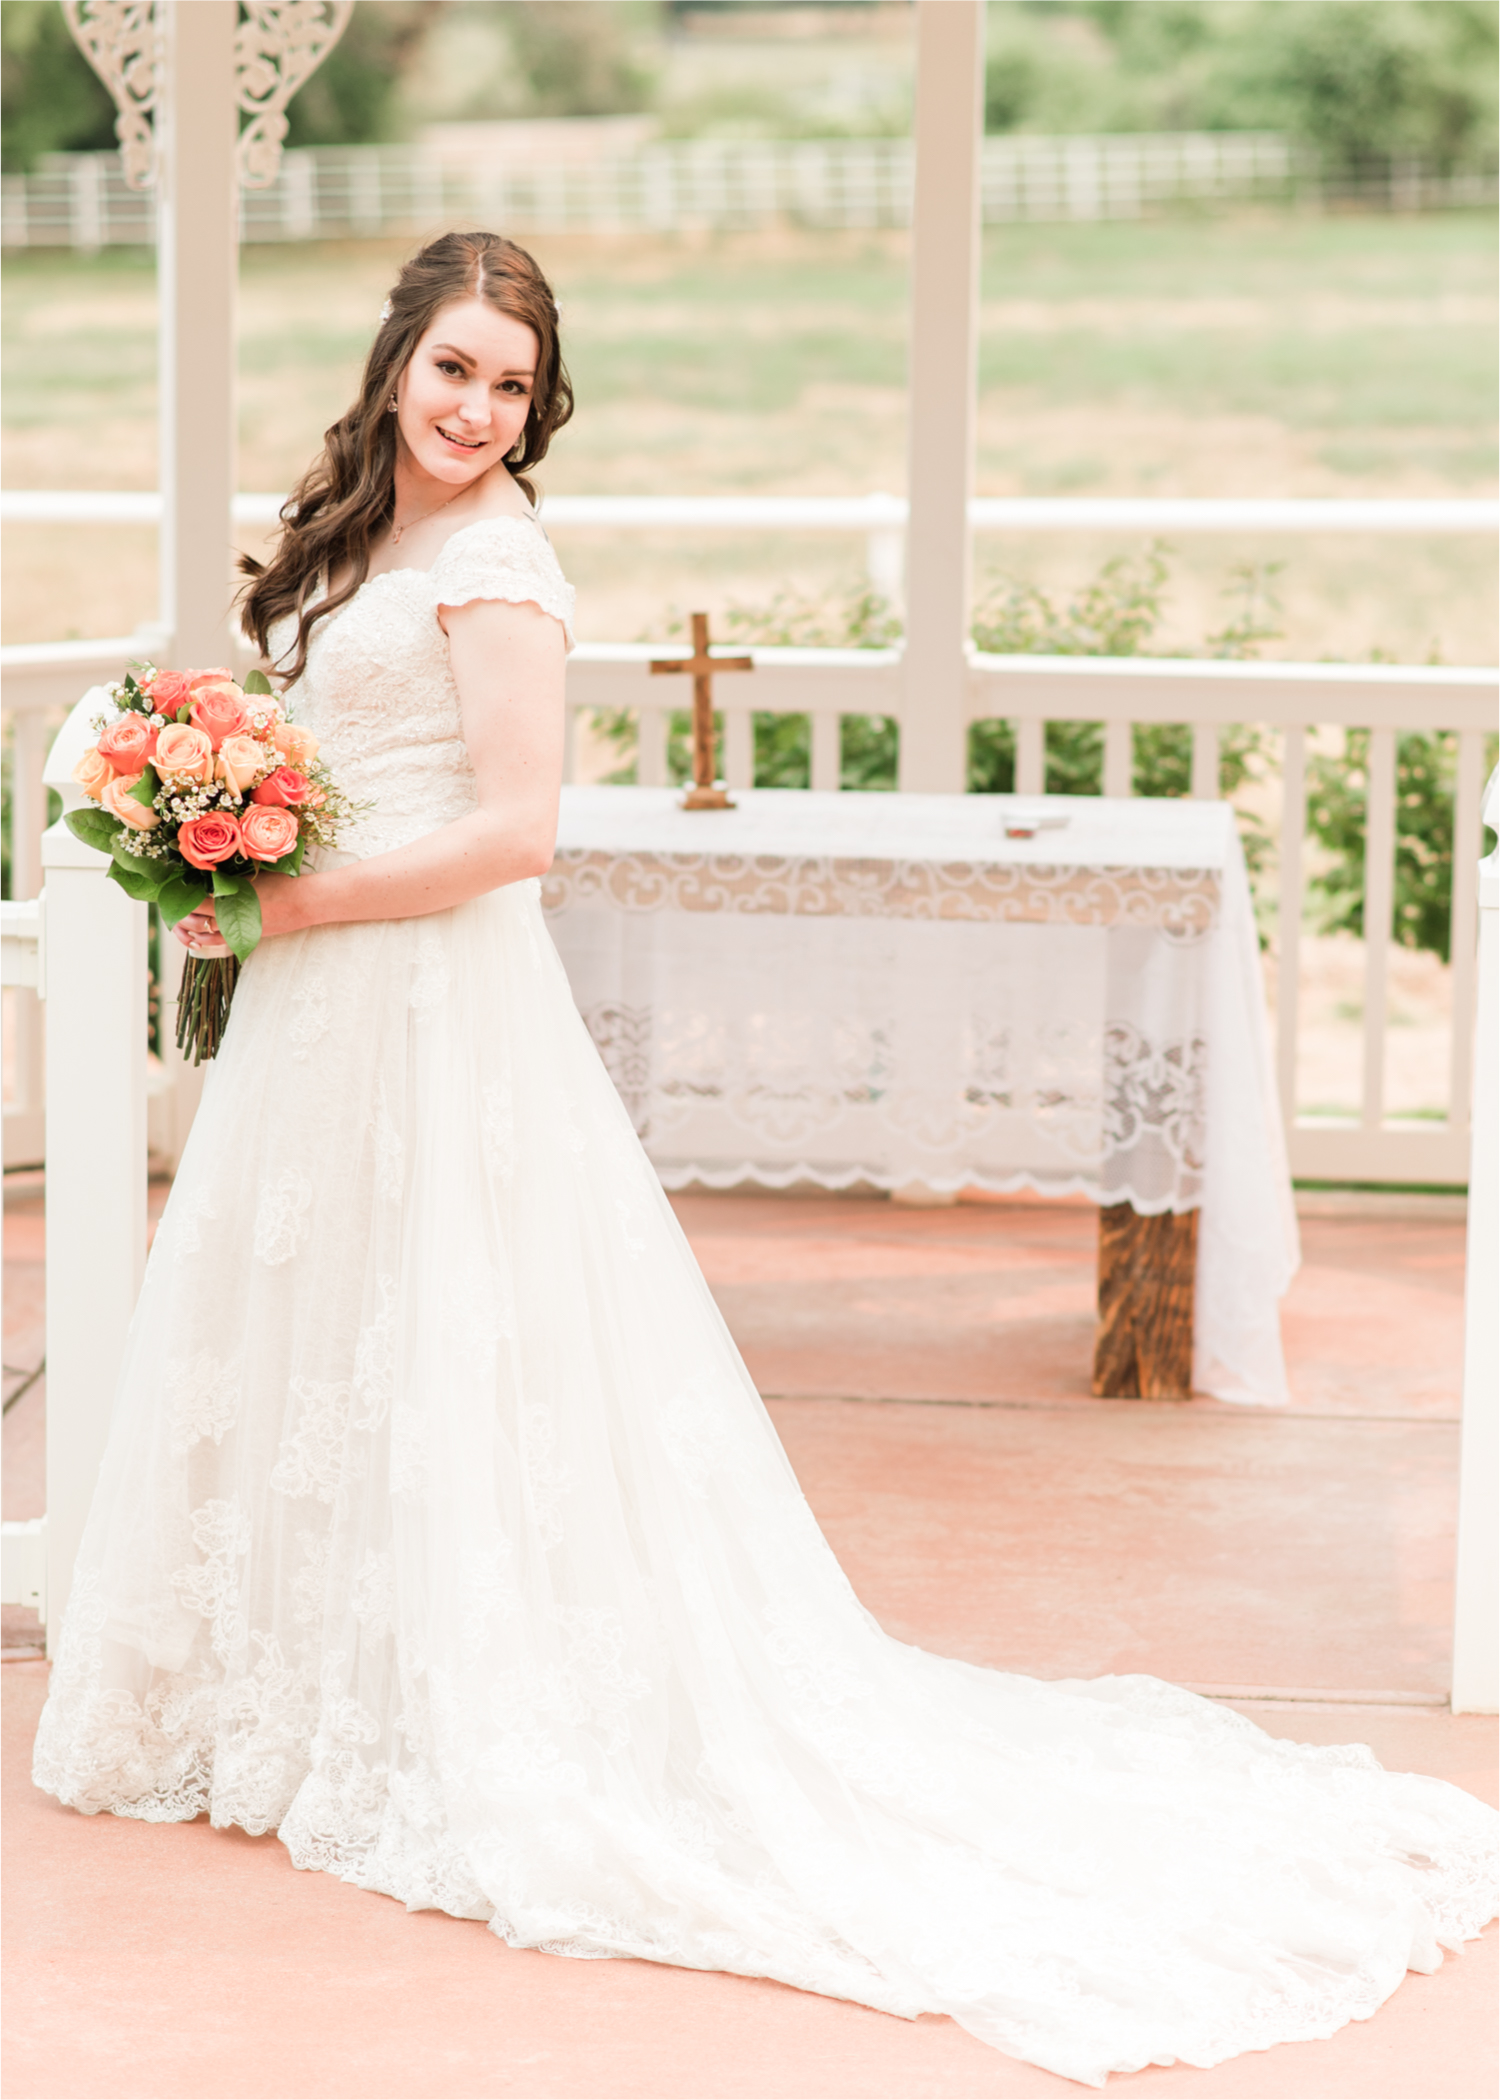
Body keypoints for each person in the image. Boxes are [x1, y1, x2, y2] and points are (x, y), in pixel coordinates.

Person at [33, 230, 1495, 2089]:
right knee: (332, 1335)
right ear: (398, 357)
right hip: (325, 1019)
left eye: (510, 381)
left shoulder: (500, 565)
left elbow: (514, 834)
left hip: (424, 992)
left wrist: (285, 898)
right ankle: (293, 1687)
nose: (478, 409)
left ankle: (464, 1701)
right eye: (454, 368)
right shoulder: (350, 546)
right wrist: (214, 829)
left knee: (456, 1331)